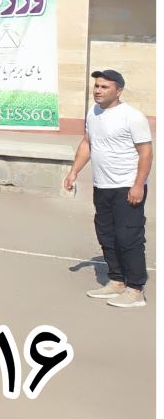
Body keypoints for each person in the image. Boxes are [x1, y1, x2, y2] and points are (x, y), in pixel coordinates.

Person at [64, 69, 152, 309]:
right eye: (97, 86)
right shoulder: (93, 112)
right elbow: (87, 143)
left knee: (129, 237)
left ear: (118, 90)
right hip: (102, 185)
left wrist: (138, 184)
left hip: (126, 187)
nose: (98, 90)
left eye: (104, 87)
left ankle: (135, 290)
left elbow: (146, 152)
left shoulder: (132, 117)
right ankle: (117, 281)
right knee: (106, 235)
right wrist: (74, 171)